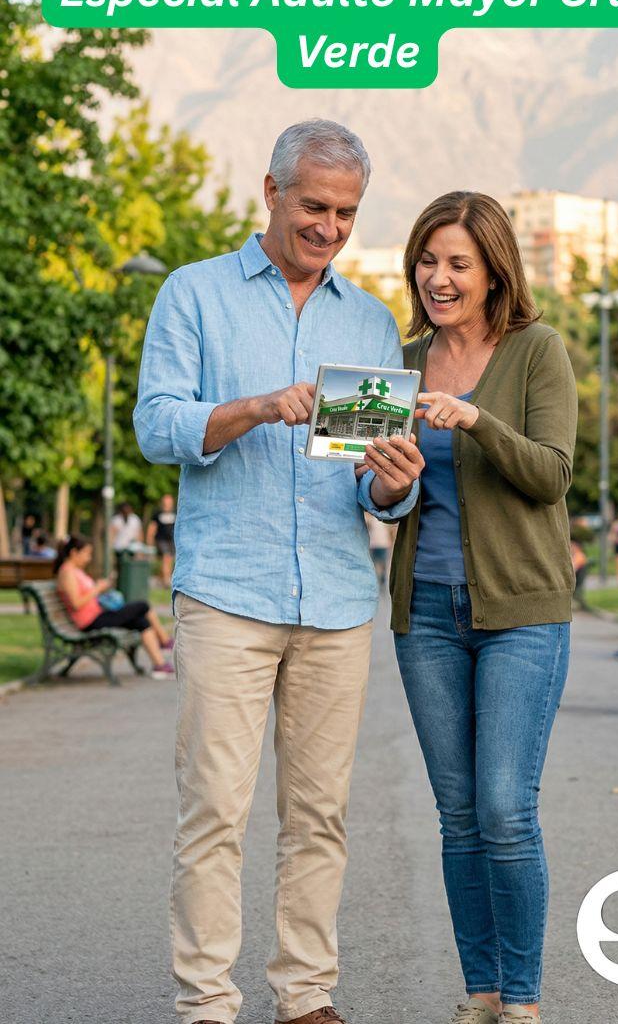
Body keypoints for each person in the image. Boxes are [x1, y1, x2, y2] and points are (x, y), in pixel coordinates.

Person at [134, 119, 424, 1024]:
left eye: (344, 212)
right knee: (215, 811)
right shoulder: (194, 296)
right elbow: (156, 426)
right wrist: (253, 407)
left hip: (336, 600)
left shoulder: (368, 320)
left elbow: (371, 490)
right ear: (270, 191)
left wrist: (393, 486)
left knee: (318, 818)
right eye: (313, 206)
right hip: (228, 591)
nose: (329, 227)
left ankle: (304, 997)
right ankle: (207, 1002)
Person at [375, 192, 577, 1024]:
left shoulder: (538, 351)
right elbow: (377, 488)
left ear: (495, 269)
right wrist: (384, 484)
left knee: (503, 805)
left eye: (457, 262)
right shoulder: (399, 359)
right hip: (424, 612)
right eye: (427, 260)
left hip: (522, 614)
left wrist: (477, 420)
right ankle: (482, 992)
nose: (438, 277)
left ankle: (523, 999)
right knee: (457, 813)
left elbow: (551, 474)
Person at [54, 534, 175, 678]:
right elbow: (76, 603)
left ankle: (159, 665)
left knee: (141, 622)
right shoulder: (67, 572)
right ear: (74, 552)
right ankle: (164, 641)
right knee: (142, 605)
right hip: (90, 621)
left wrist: (100, 588)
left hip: (98, 615)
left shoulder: (75, 571)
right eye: (86, 553)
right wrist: (97, 589)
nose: (89, 558)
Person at [147, 493, 177, 587]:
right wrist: (150, 540)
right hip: (161, 539)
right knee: (166, 557)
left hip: (172, 540)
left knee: (170, 559)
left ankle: (163, 578)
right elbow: (152, 527)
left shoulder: (175, 513)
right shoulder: (158, 513)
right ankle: (166, 581)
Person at [364, 512, 394, 589]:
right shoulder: (371, 519)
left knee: (381, 563)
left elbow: (390, 532)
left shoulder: (385, 519)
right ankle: (377, 579)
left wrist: (390, 541)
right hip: (375, 544)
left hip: (382, 544)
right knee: (375, 563)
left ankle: (381, 579)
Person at [109, 501, 144, 566]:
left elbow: (139, 533)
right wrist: (111, 547)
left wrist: (140, 547)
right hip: (119, 548)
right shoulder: (116, 520)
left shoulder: (135, 519)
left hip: (132, 548)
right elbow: (112, 533)